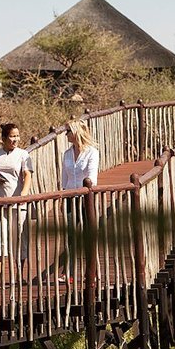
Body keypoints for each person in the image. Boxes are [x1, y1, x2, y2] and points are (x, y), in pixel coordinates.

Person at [0, 123, 33, 282]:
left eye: (17, 136)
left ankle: (19, 274)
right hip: (0, 200)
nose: (15, 139)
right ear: (4, 138)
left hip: (18, 202)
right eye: (12, 136)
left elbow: (27, 175)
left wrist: (23, 195)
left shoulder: (23, 154)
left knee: (19, 237)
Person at [58, 120, 99, 283]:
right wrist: (62, 197)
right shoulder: (67, 154)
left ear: (76, 133)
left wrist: (84, 191)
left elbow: (92, 178)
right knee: (70, 236)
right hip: (69, 198)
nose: (66, 134)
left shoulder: (92, 152)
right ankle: (69, 272)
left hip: (85, 198)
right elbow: (64, 178)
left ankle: (92, 271)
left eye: (68, 131)